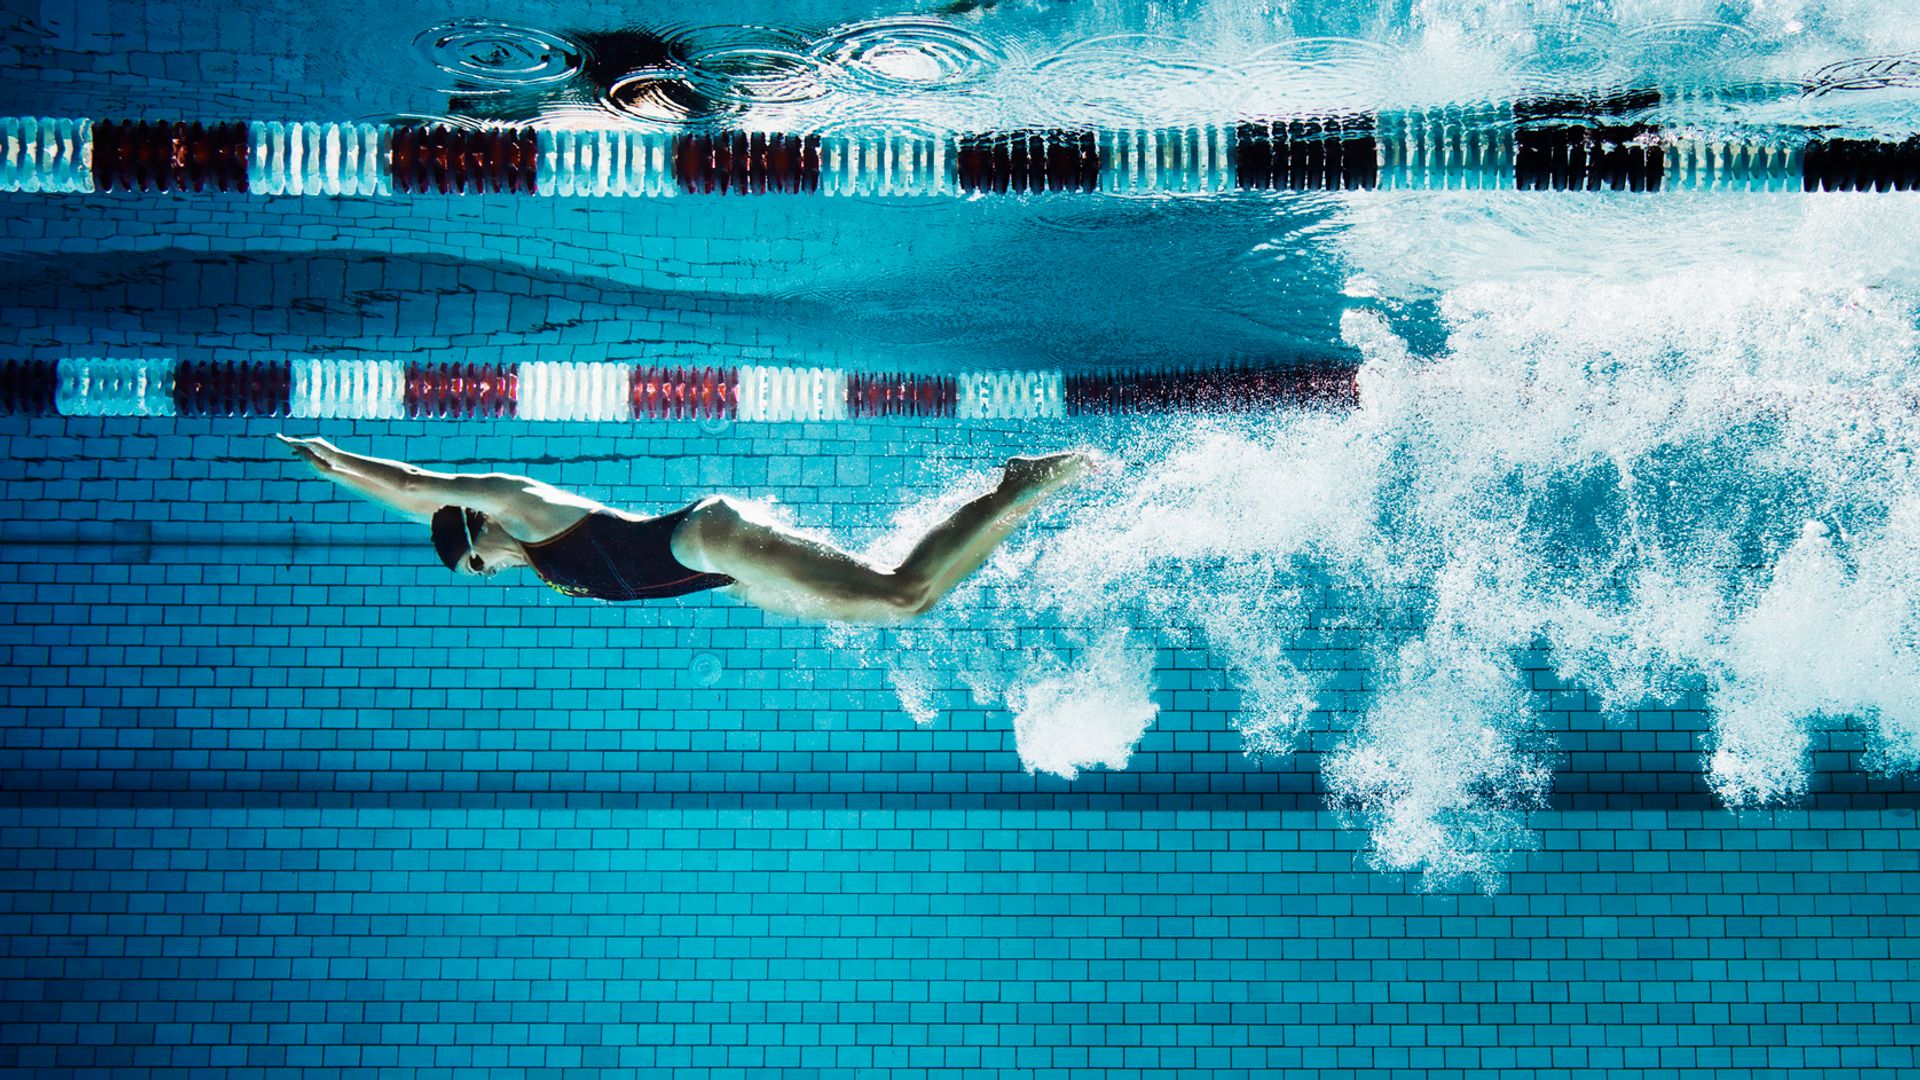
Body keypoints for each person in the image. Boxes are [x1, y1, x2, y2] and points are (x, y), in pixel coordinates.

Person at [275, 435, 1089, 623]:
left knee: (902, 597)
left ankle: (1015, 490)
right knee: (904, 608)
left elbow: (423, 488)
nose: (488, 571)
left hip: (710, 541)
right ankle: (1009, 506)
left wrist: (341, 465)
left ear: (476, 526)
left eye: (475, 563)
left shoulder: (521, 508)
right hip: (728, 571)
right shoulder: (544, 564)